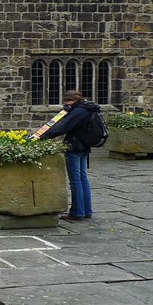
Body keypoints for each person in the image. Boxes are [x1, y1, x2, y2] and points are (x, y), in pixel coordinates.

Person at [39, 90, 101, 221]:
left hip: (74, 146)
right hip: (84, 146)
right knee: (83, 179)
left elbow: (62, 127)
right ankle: (86, 211)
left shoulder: (78, 112)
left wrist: (42, 136)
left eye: (68, 101)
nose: (66, 104)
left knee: (76, 181)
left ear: (74, 100)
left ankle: (78, 212)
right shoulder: (88, 108)